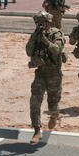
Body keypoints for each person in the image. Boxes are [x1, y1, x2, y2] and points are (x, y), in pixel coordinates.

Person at [26, 11, 67, 144]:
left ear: (48, 23)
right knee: (34, 101)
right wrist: (35, 37)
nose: (40, 25)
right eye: (37, 23)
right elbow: (28, 51)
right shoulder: (36, 35)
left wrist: (44, 39)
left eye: (42, 23)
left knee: (52, 104)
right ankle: (37, 130)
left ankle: (54, 116)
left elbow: (56, 49)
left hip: (54, 75)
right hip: (41, 74)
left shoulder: (57, 34)